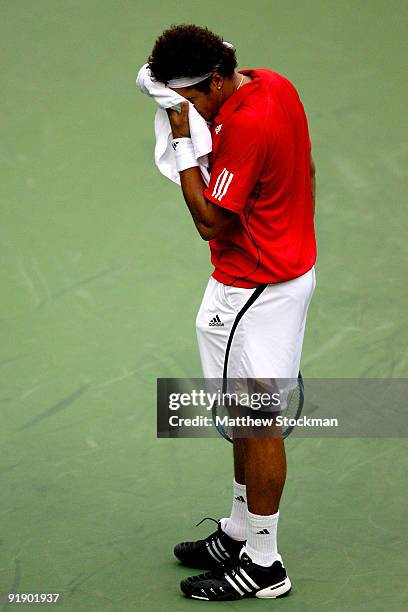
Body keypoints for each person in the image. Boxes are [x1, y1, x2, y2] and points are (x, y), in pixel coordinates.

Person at [147, 24, 316, 601]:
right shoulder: (274, 84)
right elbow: (304, 173)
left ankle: (265, 564)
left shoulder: (244, 125)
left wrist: (182, 143)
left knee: (259, 420)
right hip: (282, 271)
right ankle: (242, 531)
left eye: (189, 98)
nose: (184, 109)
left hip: (253, 289)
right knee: (249, 415)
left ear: (216, 80)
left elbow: (210, 223)